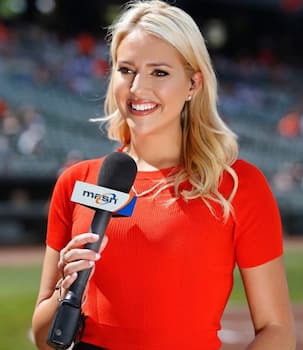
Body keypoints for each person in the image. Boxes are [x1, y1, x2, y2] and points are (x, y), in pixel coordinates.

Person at [32, 1, 296, 349]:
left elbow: (276, 329)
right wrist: (65, 291)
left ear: (193, 83)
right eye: (126, 70)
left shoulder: (237, 186)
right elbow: (42, 338)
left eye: (159, 72)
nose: (138, 87)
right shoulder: (77, 181)